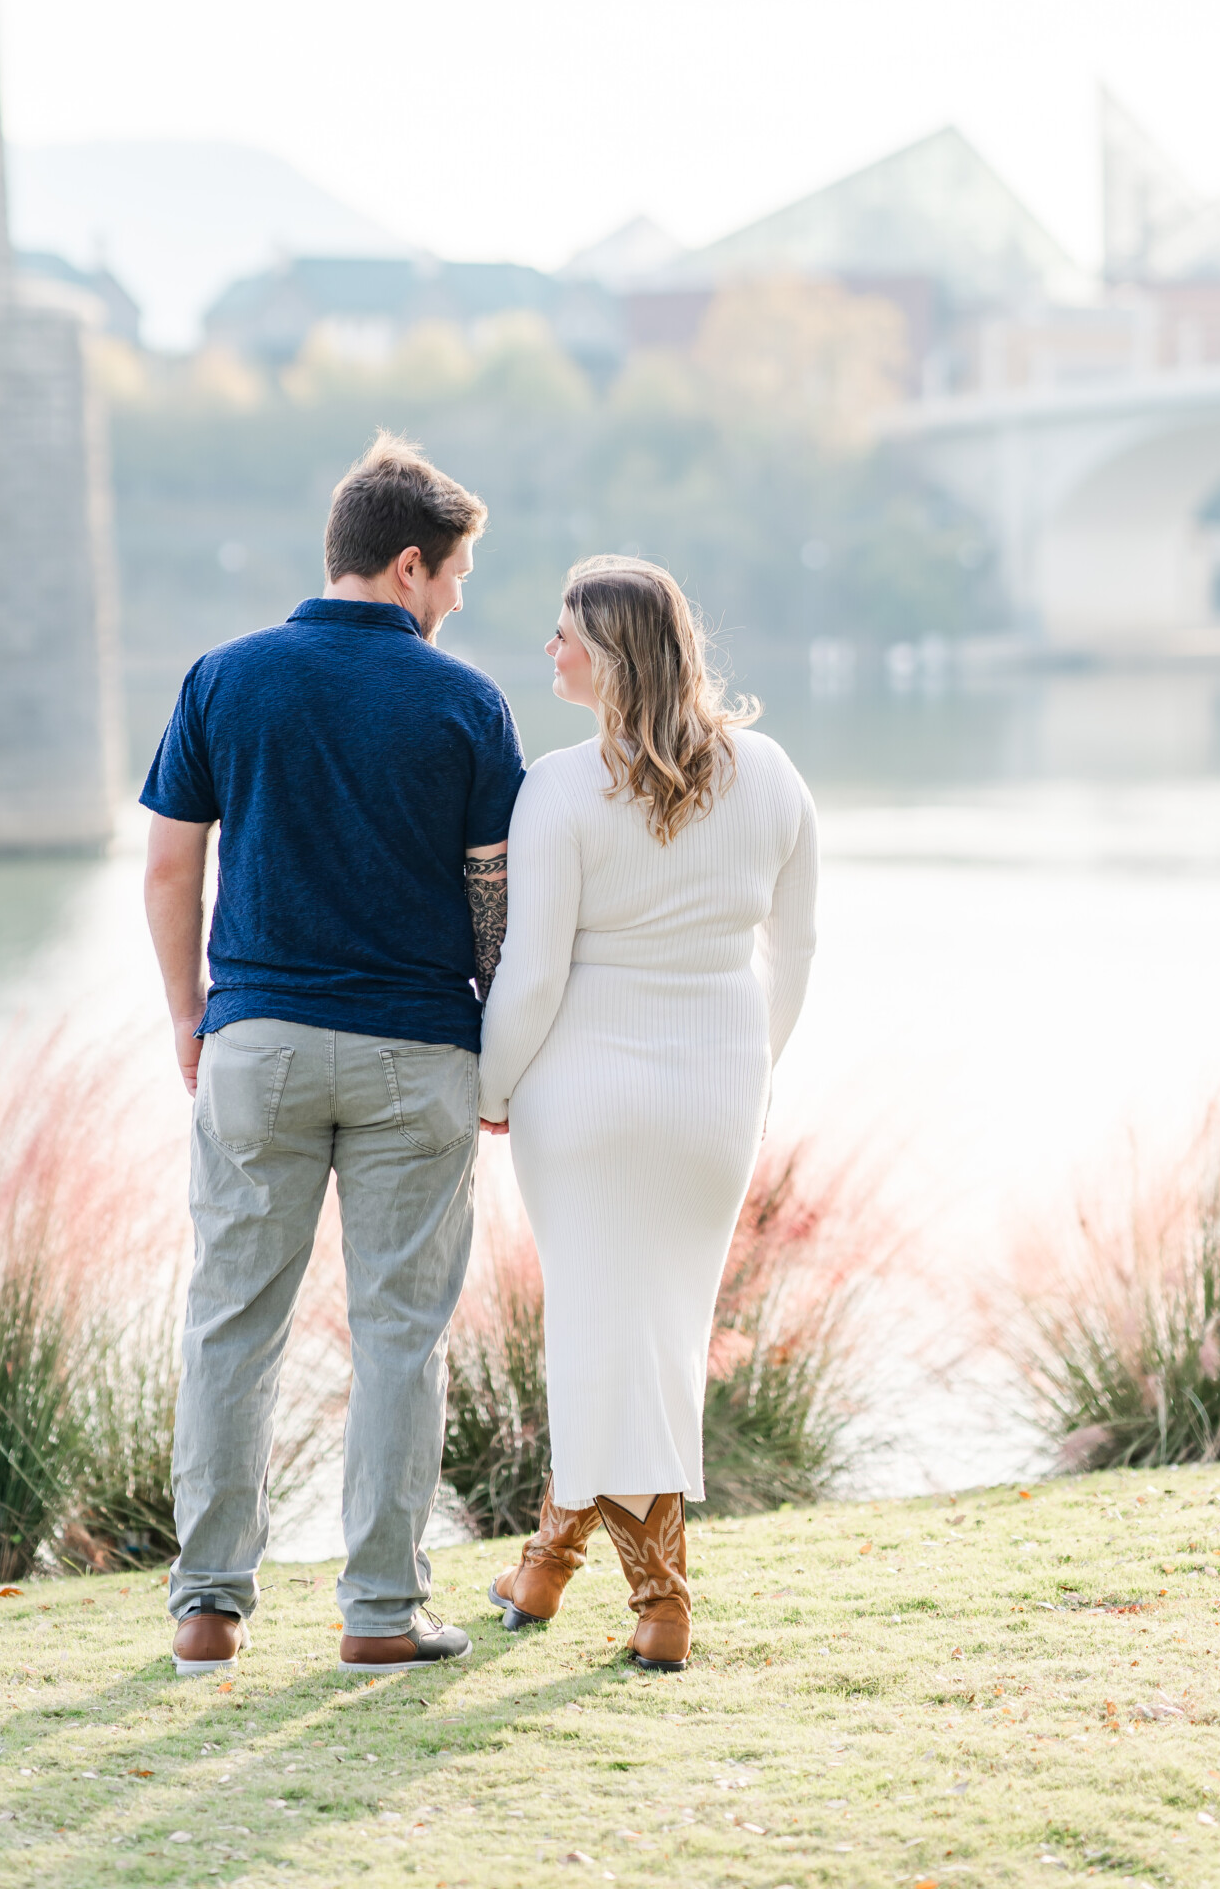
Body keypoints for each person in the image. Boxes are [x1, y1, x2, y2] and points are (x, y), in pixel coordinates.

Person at [141, 434, 524, 1676]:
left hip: (259, 1041)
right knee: (401, 1337)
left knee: (230, 1325)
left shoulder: (225, 677)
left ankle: (208, 1609)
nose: (458, 600)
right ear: (407, 565)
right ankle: (377, 1614)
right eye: (455, 575)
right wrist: (498, 1035)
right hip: (418, 1055)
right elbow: (494, 900)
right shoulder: (465, 702)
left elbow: (167, 865)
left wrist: (191, 1016)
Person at [477, 556, 817, 1672]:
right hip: (716, 1089)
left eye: (567, 631)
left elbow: (529, 975)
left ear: (615, 655)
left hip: (585, 1092)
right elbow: (797, 949)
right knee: (643, 1336)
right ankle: (544, 1565)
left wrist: (487, 1088)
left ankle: (663, 1602)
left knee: (606, 1336)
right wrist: (750, 1069)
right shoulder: (770, 773)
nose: (551, 648)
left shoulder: (563, 786)